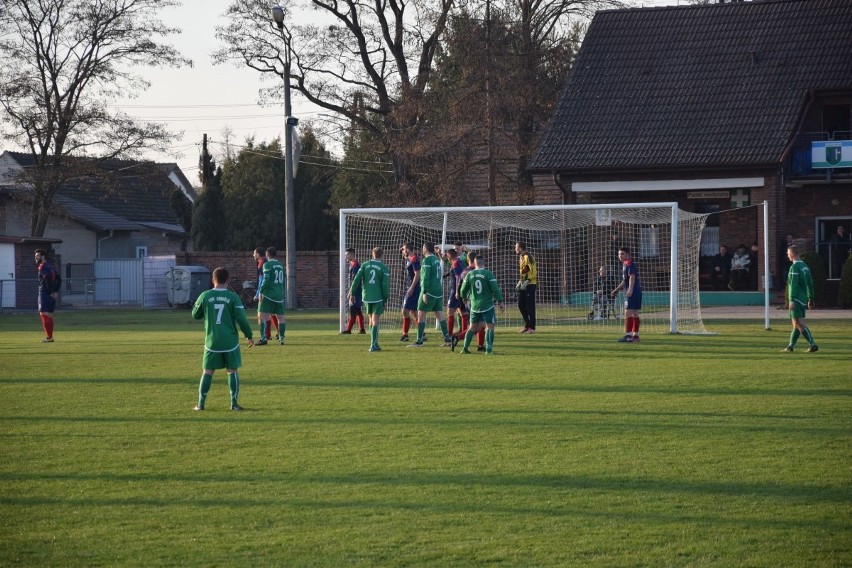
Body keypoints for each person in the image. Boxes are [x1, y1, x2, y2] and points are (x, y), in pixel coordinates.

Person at [191, 267, 254, 411]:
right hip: (230, 341)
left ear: (212, 280)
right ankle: (234, 404)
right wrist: (249, 335)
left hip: (212, 341)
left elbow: (195, 314)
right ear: (227, 280)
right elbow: (241, 319)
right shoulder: (233, 297)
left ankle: (200, 404)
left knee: (207, 371)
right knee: (232, 370)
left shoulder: (205, 295)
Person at [458, 254, 505, 354]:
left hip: (474, 305)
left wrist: (464, 298)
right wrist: (500, 301)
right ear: (483, 263)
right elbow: (495, 289)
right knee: (490, 326)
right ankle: (488, 349)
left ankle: (465, 348)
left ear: (474, 264)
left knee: (472, 327)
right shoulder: (488, 274)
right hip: (487, 305)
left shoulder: (469, 275)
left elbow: (462, 290)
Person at [409, 242, 451, 347]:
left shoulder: (427, 260)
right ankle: (447, 338)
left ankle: (419, 340)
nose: (422, 250)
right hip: (438, 291)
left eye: (423, 248)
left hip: (429, 291)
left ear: (425, 249)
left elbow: (425, 277)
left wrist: (424, 292)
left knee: (421, 314)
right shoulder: (436, 260)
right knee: (439, 313)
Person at [348, 247, 390, 352]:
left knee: (371, 319)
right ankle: (373, 344)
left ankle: (374, 343)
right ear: (382, 255)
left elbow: (356, 279)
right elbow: (385, 285)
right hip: (378, 297)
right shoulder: (383, 268)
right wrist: (385, 297)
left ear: (372, 254)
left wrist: (352, 291)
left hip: (366, 297)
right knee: (375, 320)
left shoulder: (364, 265)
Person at [782, 245, 818, 353]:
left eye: (788, 254)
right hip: (802, 298)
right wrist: (810, 298)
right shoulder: (805, 266)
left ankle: (813, 344)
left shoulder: (794, 267)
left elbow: (793, 285)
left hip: (796, 298)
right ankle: (790, 346)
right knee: (795, 323)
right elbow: (810, 284)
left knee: (799, 322)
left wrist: (791, 300)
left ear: (792, 254)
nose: (787, 256)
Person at [611, 247, 643, 343]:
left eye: (622, 254)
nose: (620, 256)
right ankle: (635, 336)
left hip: (632, 292)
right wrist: (616, 290)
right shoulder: (625, 264)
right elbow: (624, 281)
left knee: (628, 312)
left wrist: (630, 289)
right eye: (619, 254)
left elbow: (632, 277)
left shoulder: (629, 264)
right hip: (636, 292)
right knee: (635, 313)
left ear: (628, 255)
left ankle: (628, 336)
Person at [257, 246, 286, 345]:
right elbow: (283, 281)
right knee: (281, 317)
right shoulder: (281, 265)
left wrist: (260, 292)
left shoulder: (267, 265)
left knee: (261, 315)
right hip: (279, 295)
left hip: (268, 294)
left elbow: (266, 279)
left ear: (267, 254)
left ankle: (263, 338)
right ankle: (281, 338)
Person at [252, 247, 279, 342]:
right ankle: (276, 333)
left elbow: (262, 280)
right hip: (272, 291)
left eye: (254, 253)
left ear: (258, 254)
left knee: (262, 314)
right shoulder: (268, 262)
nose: (253, 255)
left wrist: (258, 293)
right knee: (270, 313)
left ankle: (266, 336)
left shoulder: (262, 263)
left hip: (265, 292)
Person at [34, 249, 59, 342]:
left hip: (44, 293)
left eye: (37, 255)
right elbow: (59, 279)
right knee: (49, 315)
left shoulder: (43, 267)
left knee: (43, 313)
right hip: (50, 293)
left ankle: (49, 337)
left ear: (43, 256)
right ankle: (50, 337)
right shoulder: (50, 266)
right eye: (35, 256)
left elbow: (47, 278)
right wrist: (55, 291)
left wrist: (50, 292)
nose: (36, 257)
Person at [399, 242, 421, 342]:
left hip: (414, 288)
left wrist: (412, 287)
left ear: (408, 249)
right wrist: (403, 252)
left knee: (405, 310)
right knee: (413, 312)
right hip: (411, 287)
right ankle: (422, 332)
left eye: (404, 249)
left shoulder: (414, 259)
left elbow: (417, 274)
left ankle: (405, 335)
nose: (402, 251)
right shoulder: (410, 258)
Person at [515, 241, 538, 333]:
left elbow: (533, 271)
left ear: (520, 248)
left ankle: (532, 328)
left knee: (530, 306)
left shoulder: (528, 256)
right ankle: (527, 325)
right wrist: (520, 281)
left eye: (516, 247)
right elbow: (525, 271)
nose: (515, 249)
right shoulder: (521, 257)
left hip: (531, 284)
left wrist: (528, 281)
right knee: (521, 304)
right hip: (524, 284)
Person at [342, 248, 366, 334]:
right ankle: (362, 329)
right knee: (358, 310)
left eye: (347, 255)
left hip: (355, 292)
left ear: (352, 254)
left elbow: (355, 281)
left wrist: (351, 292)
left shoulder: (355, 266)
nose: (346, 257)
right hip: (355, 291)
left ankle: (348, 330)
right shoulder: (352, 264)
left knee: (353, 310)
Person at [444, 248, 466, 340]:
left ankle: (449, 336)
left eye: (447, 257)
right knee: (462, 312)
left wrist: (457, 291)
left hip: (455, 291)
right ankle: (463, 333)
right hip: (459, 290)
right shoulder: (459, 261)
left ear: (449, 256)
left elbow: (458, 277)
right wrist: (447, 275)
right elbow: (458, 273)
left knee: (450, 312)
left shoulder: (455, 263)